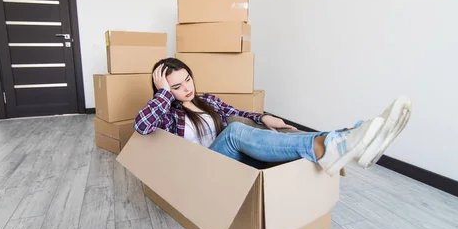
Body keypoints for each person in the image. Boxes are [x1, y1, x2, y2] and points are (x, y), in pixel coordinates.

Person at [134, 58, 411, 175]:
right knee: (233, 133)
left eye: (187, 79)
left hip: (229, 163)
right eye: (176, 86)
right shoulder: (167, 114)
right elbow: (142, 125)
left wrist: (263, 116)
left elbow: (237, 113)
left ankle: (348, 137)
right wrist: (163, 94)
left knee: (272, 132)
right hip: (203, 171)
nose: (186, 88)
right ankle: (330, 145)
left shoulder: (206, 101)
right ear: (165, 90)